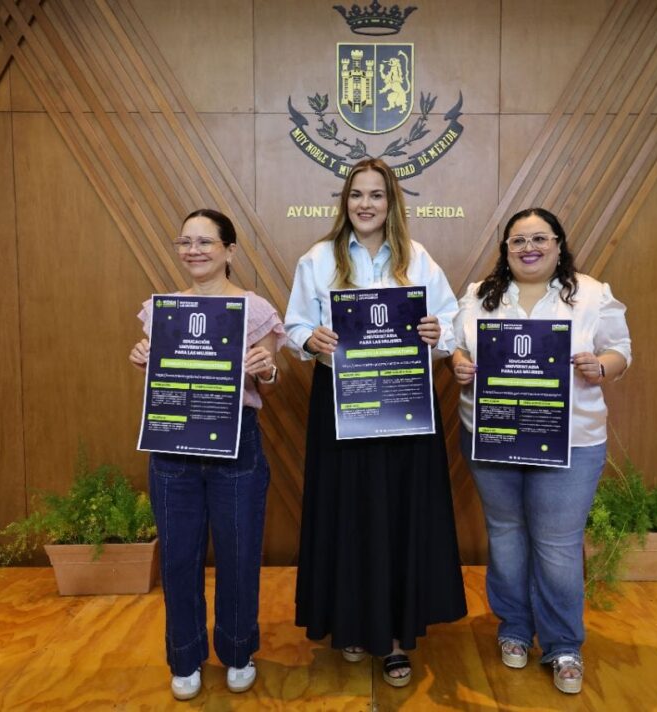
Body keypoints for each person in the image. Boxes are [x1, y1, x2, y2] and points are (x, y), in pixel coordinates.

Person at [284, 158, 467, 688]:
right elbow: (295, 323)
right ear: (345, 202)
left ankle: (392, 639)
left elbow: (451, 320)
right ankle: (350, 625)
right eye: (357, 195)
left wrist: (439, 332)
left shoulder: (418, 258)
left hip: (406, 402)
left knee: (398, 513)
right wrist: (307, 339)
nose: (366, 204)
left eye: (377, 195)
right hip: (341, 403)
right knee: (348, 513)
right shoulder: (317, 259)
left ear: (392, 203)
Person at [451, 207, 632, 695]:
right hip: (492, 435)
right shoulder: (478, 296)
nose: (528, 247)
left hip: (571, 440)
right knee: (506, 535)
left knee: (556, 546)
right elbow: (456, 348)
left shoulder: (592, 294)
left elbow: (621, 351)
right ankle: (513, 628)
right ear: (505, 248)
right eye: (517, 241)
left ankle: (564, 644)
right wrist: (461, 364)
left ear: (558, 243)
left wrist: (601, 366)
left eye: (539, 238)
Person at [129, 209, 284, 700]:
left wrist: (268, 370)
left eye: (205, 242)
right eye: (185, 242)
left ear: (229, 251)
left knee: (239, 553)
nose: (193, 251)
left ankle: (238, 651)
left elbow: (270, 378)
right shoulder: (162, 309)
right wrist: (143, 359)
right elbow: (165, 376)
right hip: (173, 446)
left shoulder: (254, 309)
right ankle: (185, 657)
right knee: (178, 557)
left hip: (236, 442)